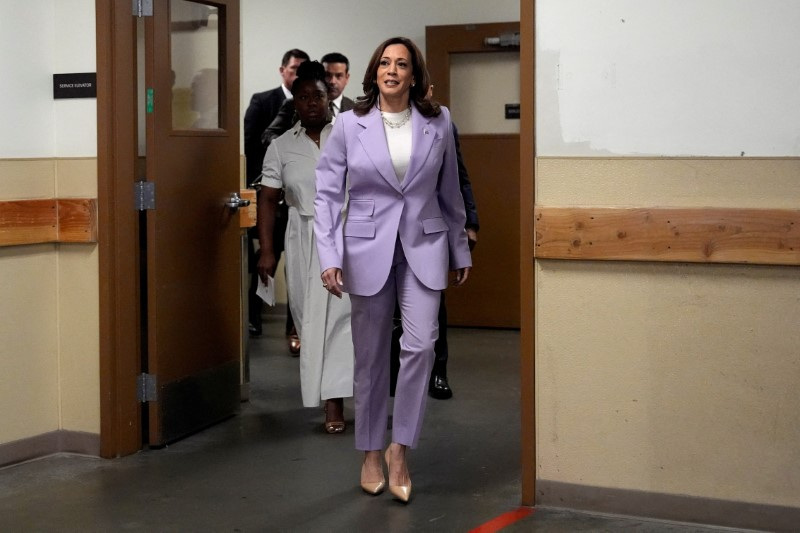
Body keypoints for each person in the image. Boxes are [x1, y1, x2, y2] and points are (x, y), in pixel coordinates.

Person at [314, 37, 472, 502]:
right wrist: (330, 256)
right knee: (369, 357)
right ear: (374, 72)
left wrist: (460, 249)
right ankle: (368, 450)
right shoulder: (349, 124)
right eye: (385, 62)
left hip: (424, 244)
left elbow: (450, 192)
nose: (392, 70)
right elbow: (327, 195)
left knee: (421, 346)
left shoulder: (438, 121)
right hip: (366, 248)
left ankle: (399, 447)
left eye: (402, 64)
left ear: (414, 75)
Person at [255, 61, 353, 433]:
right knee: (310, 320)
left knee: (344, 320)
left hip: (347, 234)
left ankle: (335, 404)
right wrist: (266, 250)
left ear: (331, 98)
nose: (312, 103)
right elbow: (267, 199)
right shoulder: (281, 147)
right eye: (304, 97)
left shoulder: (347, 134)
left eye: (319, 96)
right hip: (302, 237)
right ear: (294, 103)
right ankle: (323, 394)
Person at [389, 114, 480, 400]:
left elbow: (458, 179)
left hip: (430, 228)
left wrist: (470, 224)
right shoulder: (383, 123)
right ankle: (395, 378)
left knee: (433, 305)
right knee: (391, 312)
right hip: (389, 231)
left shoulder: (442, 124)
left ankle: (439, 371)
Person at [243, 48, 309, 351]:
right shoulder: (264, 101)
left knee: (298, 265)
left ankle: (294, 328)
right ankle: (253, 318)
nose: (297, 73)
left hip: (299, 196)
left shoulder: (316, 102)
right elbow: (253, 143)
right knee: (266, 257)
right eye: (294, 68)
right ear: (283, 70)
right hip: (270, 191)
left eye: (303, 69)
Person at [261, 52, 355, 147]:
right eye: (327, 75)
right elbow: (268, 135)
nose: (332, 81)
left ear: (347, 78)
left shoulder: (355, 109)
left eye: (338, 76)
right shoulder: (293, 104)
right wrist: (290, 147)